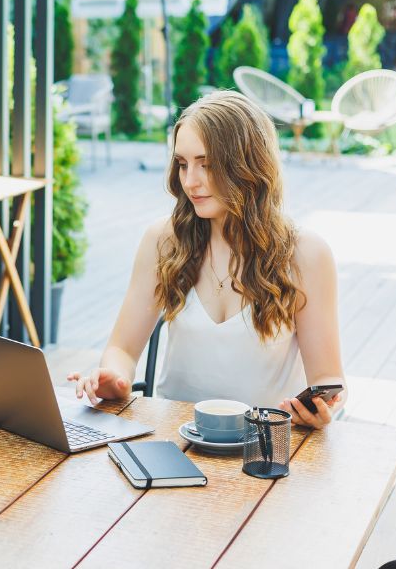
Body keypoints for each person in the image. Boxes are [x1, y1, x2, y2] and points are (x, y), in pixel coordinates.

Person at [67, 91, 347, 429]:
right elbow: (122, 350)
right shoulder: (164, 241)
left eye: (207, 164)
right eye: (183, 164)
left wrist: (318, 411)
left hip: (263, 449)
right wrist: (113, 377)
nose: (190, 181)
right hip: (174, 439)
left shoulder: (305, 254)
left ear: (248, 164)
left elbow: (328, 379)